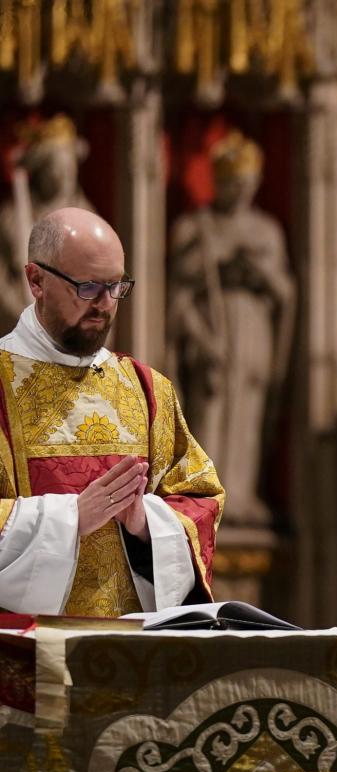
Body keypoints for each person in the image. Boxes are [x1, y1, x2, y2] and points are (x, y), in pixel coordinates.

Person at [0, 207, 224, 616]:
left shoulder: (146, 388)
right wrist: (69, 520)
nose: (105, 304)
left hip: (132, 658)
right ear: (36, 280)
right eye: (87, 287)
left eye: (116, 286)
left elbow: (200, 498)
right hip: (22, 661)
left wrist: (146, 526)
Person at [167, 130, 294, 529]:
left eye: (245, 184)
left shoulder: (266, 230)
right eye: (230, 183)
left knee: (247, 417)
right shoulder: (195, 227)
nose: (237, 192)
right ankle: (206, 494)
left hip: (254, 330)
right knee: (210, 408)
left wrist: (258, 272)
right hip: (210, 331)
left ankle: (241, 492)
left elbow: (285, 291)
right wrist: (199, 336)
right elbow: (177, 295)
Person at [0, 114, 94, 332]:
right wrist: (21, 312)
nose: (64, 177)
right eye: (56, 168)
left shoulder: (88, 218)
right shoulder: (11, 217)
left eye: (68, 168)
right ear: (41, 170)